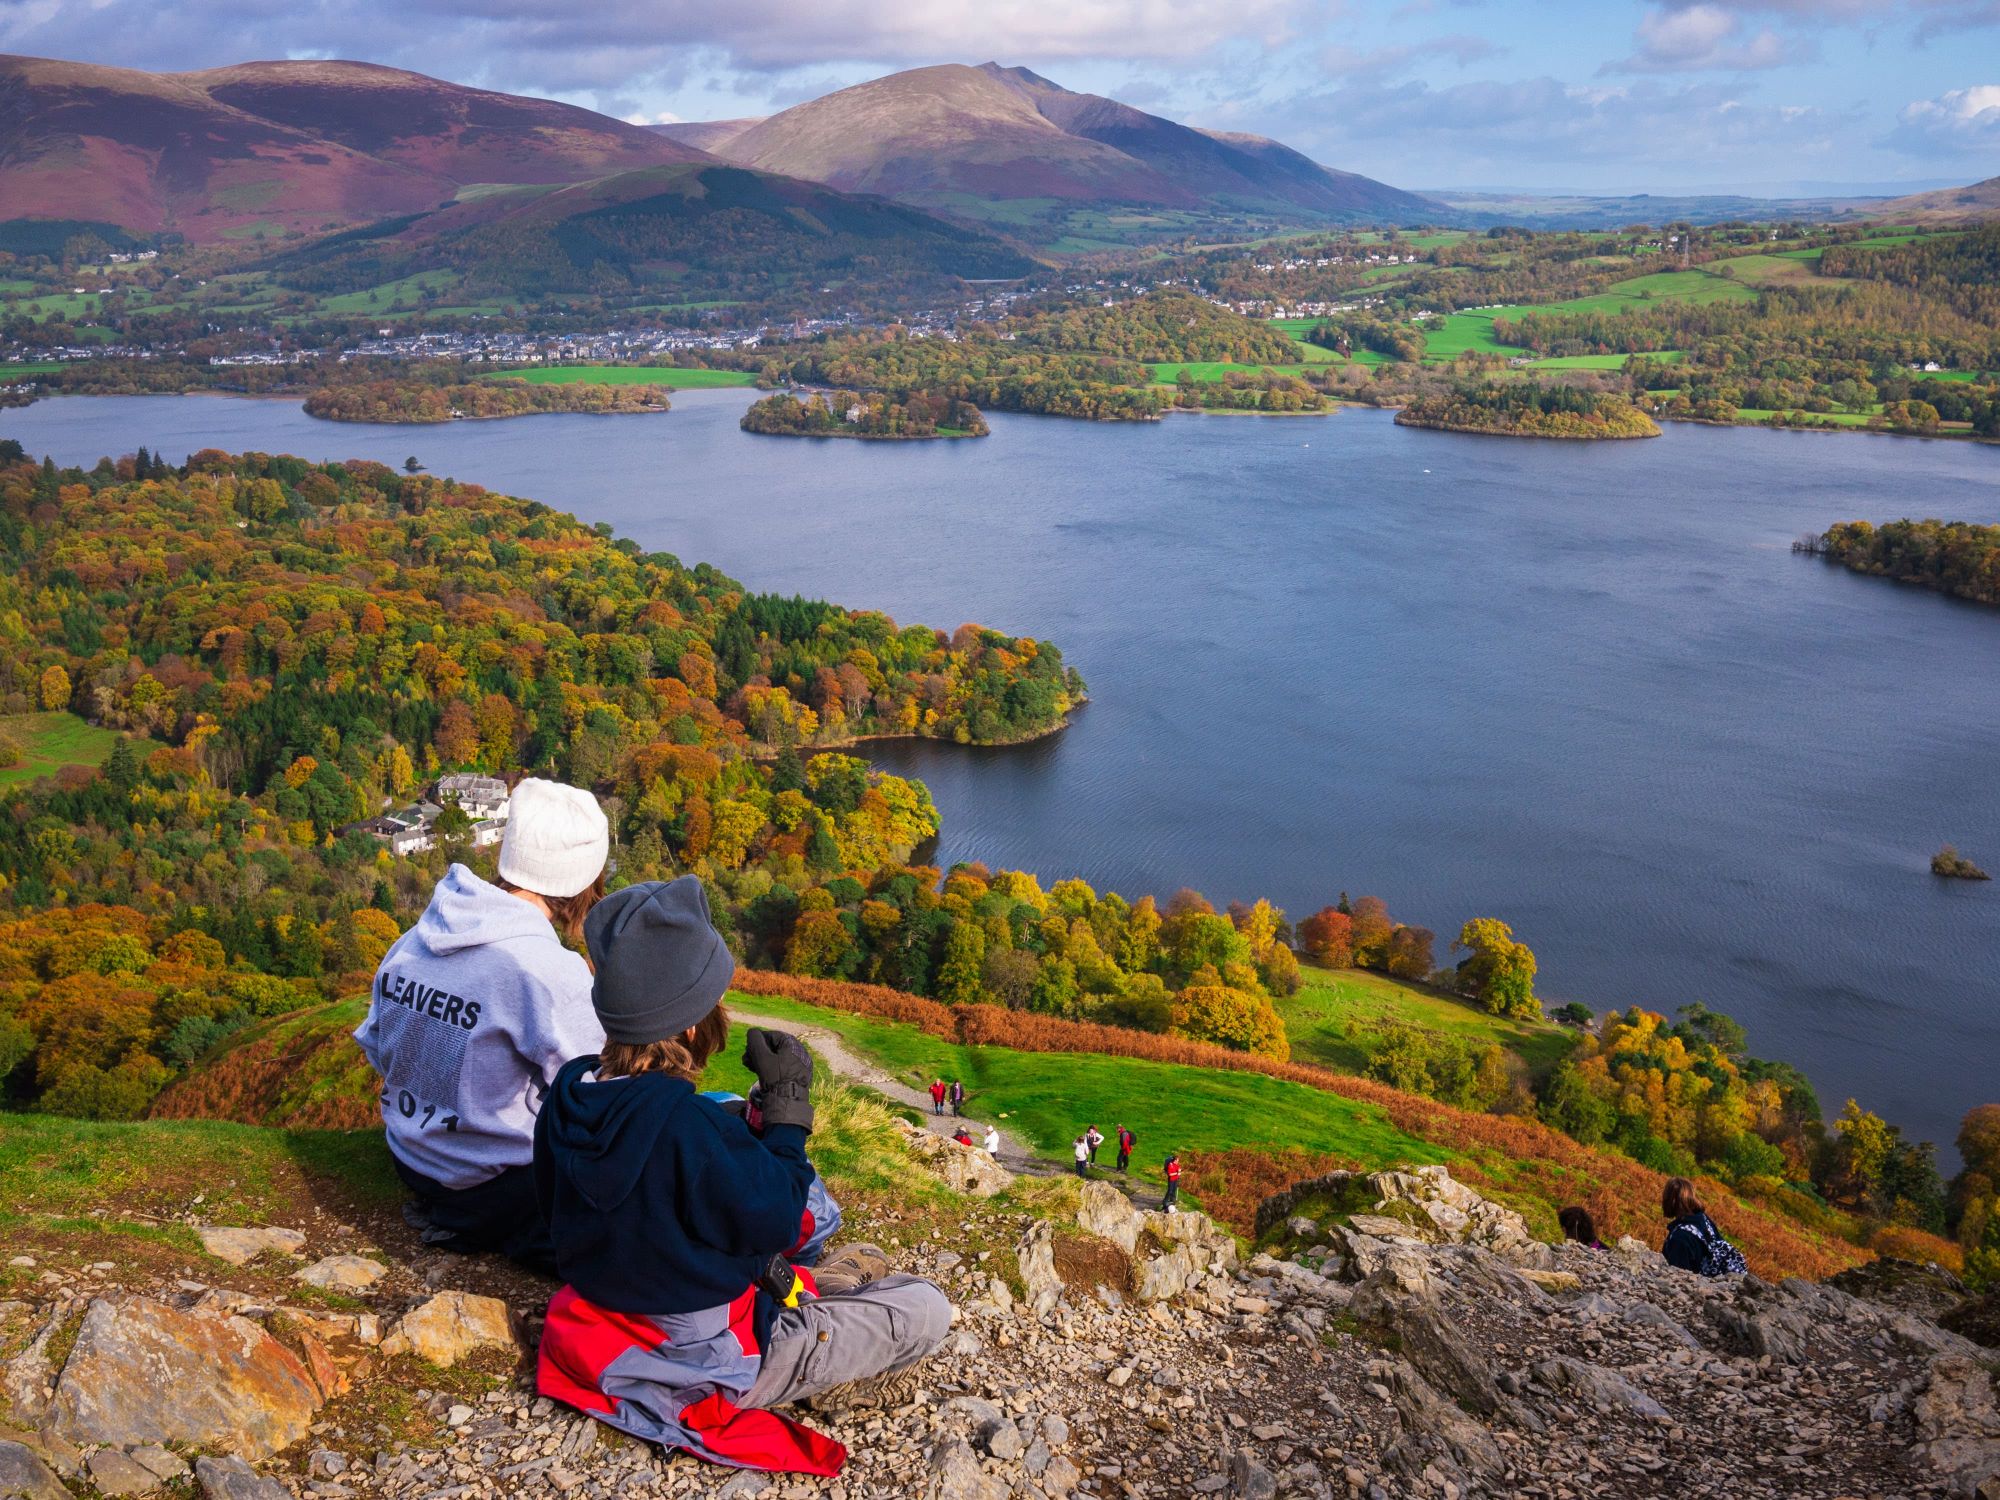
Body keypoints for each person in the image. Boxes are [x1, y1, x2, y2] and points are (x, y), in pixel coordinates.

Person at [534, 877, 950, 1478]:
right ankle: (821, 1365)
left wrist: (737, 1130)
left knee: (803, 1225)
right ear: (692, 1024)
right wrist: (787, 1113)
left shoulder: (570, 1094)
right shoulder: (688, 1129)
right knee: (925, 1306)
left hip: (616, 1309)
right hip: (708, 1356)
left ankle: (819, 1296)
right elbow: (778, 1215)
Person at [355, 777, 609, 1274]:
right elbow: (601, 1096)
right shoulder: (547, 970)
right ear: (581, 881)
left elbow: (376, 1041)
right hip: (496, 1183)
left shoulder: (416, 938)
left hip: (410, 1158)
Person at [1660, 1177, 1747, 1277]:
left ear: (1671, 1200)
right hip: (1718, 1283)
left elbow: (1677, 1278)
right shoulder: (1703, 1219)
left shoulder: (1680, 1238)